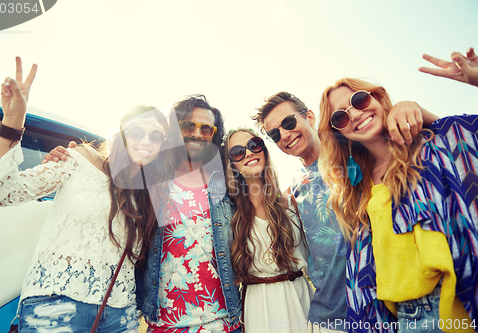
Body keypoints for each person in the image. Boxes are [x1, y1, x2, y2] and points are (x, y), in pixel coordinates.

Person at [0, 58, 173, 332]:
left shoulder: (151, 194)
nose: (146, 141)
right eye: (137, 131)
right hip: (55, 306)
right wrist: (12, 123)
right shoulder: (78, 160)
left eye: (156, 136)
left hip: (121, 317)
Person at [43, 95, 242, 332]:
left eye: (206, 128)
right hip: (164, 324)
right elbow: (108, 166)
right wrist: (75, 155)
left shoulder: (227, 185)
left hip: (222, 323)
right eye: (188, 125)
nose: (197, 134)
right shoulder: (148, 180)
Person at [252, 92, 431, 332]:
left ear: (310, 117)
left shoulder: (355, 152)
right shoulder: (293, 188)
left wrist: (407, 105)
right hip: (329, 318)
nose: (284, 135)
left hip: (385, 307)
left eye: (288, 123)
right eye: (275, 134)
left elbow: (419, 146)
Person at [318, 77, 478, 333]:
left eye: (359, 100)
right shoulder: (356, 191)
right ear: (339, 133)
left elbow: (464, 141)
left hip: (458, 303)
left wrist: (420, 109)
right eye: (340, 117)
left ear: (378, 98)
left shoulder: (430, 148)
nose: (356, 115)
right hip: (403, 319)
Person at [223, 127, 312, 332]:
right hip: (259, 306)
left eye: (254, 145)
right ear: (233, 165)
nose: (249, 153)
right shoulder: (229, 214)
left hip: (300, 298)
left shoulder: (294, 201)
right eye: (237, 151)